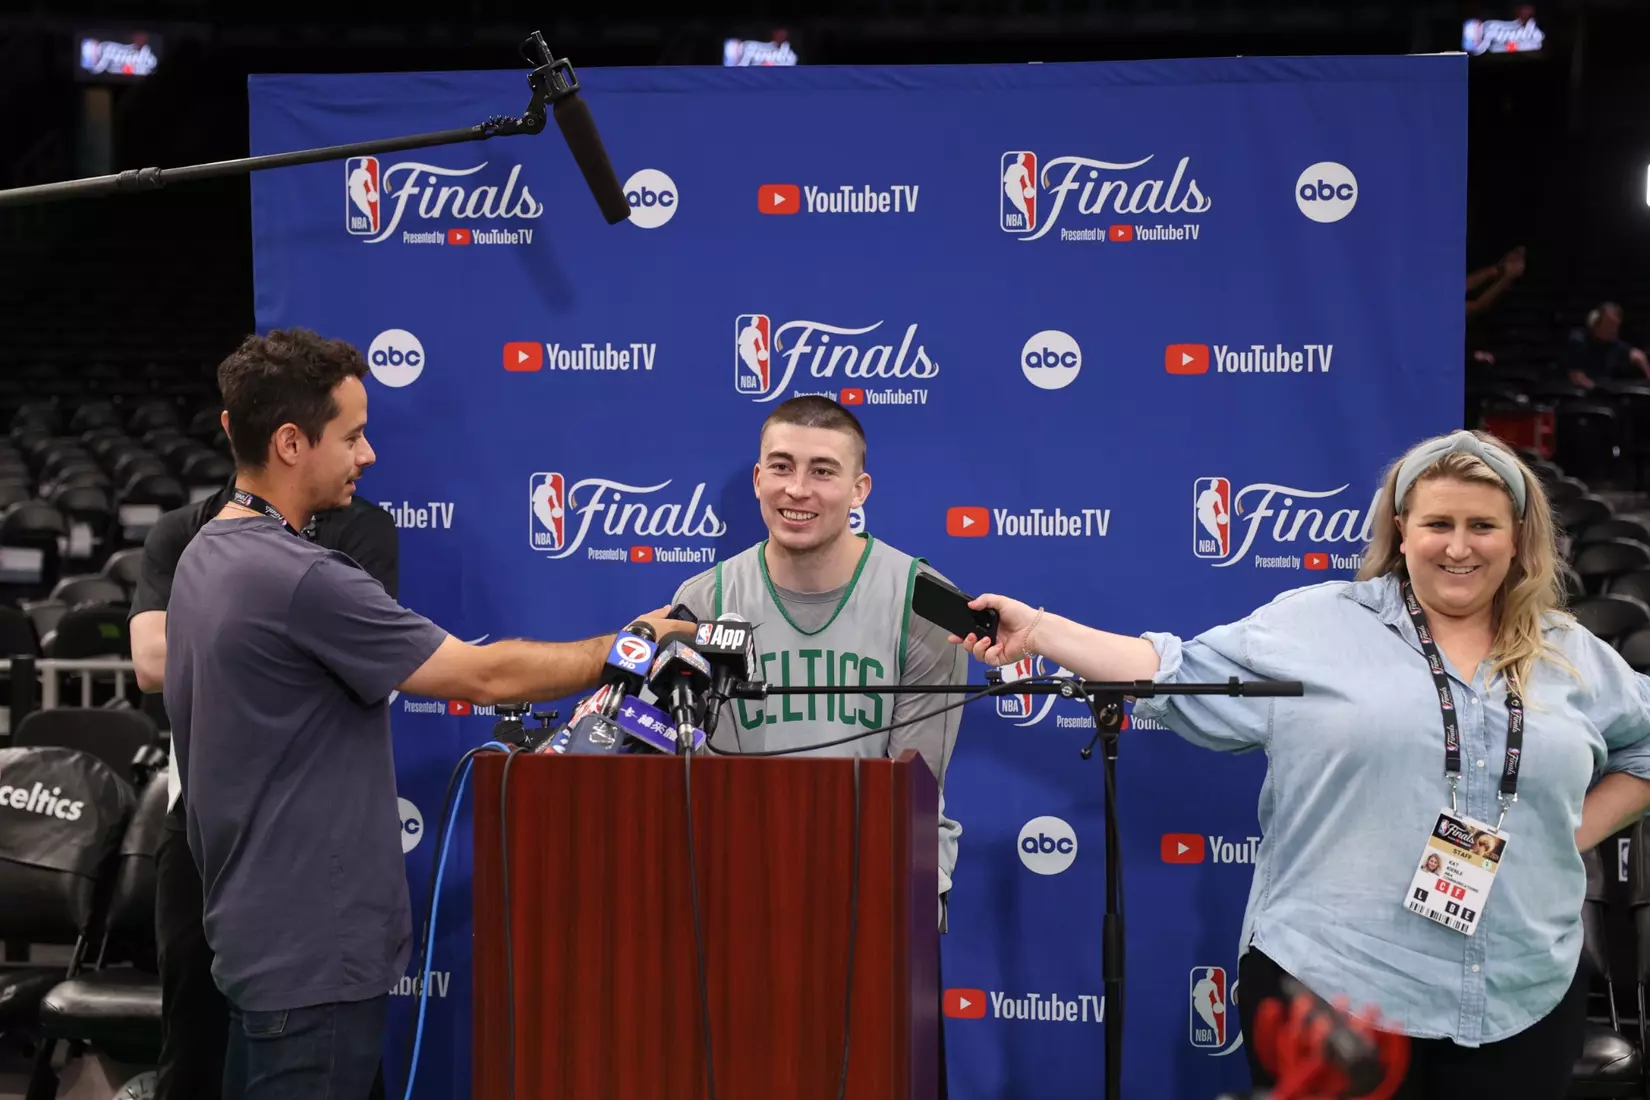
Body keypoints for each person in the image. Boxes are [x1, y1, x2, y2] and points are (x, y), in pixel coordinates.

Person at [952, 429, 1650, 1098]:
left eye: (1483, 526)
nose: (1459, 547)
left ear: (1517, 540)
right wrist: (1040, 631)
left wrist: (1565, 833)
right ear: (1402, 530)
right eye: (1438, 524)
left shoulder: (1571, 652)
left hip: (1520, 992)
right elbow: (1172, 670)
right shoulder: (1316, 624)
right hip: (1339, 988)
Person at [161, 327, 682, 1100]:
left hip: (263, 940)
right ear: (292, 443)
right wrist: (630, 645)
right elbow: (483, 675)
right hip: (313, 957)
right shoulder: (300, 578)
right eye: (354, 435)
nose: (368, 456)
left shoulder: (204, 553)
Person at [130, 485, 397, 1100]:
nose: (364, 456)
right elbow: (148, 661)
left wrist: (227, 631)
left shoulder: (360, 530)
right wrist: (279, 636)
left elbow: (370, 662)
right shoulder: (181, 531)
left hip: (303, 839)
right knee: (193, 1046)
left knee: (329, 1058)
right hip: (197, 828)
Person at [664, 395, 967, 925]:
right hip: (737, 879)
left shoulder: (924, 602)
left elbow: (915, 791)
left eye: (823, 471)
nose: (797, 489)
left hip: (878, 874)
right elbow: (687, 780)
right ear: (758, 479)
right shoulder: (703, 600)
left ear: (859, 490)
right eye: (781, 467)